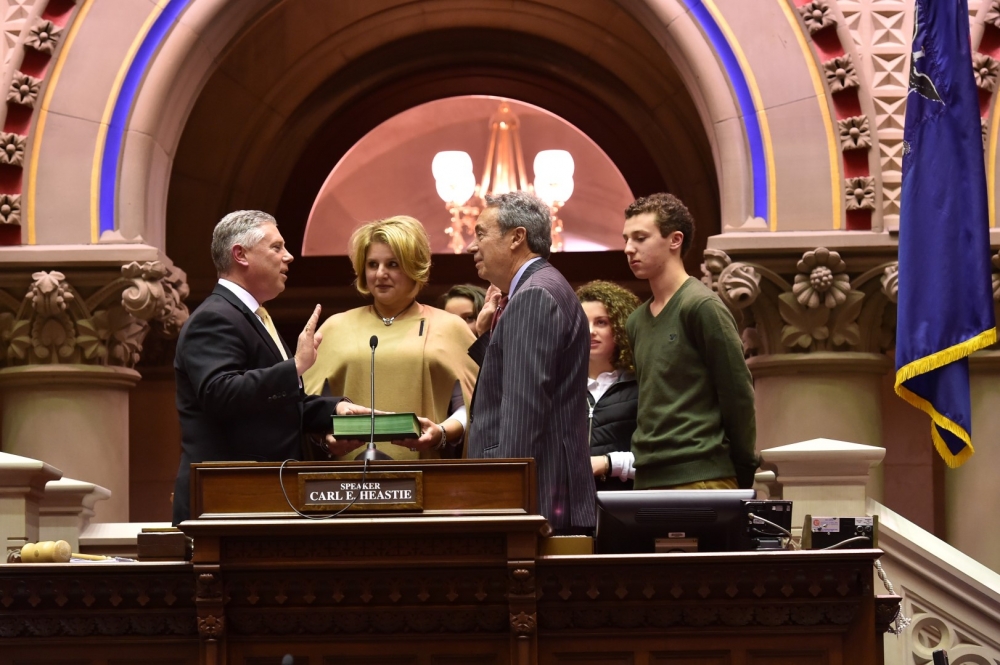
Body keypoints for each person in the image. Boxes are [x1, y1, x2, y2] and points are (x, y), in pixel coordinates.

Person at [172, 210, 368, 525]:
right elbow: (220, 393)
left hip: (261, 493)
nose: (288, 257)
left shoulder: (255, 316)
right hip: (226, 500)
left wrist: (335, 411)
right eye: (276, 247)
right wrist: (296, 366)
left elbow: (273, 405)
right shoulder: (216, 316)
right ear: (240, 254)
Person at [466, 191, 596, 533]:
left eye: (480, 234)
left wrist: (507, 499)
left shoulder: (534, 293)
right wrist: (486, 337)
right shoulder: (539, 288)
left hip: (533, 499)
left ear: (516, 237)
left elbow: (524, 409)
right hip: (543, 490)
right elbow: (512, 377)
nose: (471, 246)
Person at [612, 193, 758, 490]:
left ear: (674, 240)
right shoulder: (636, 320)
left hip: (702, 477)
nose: (628, 249)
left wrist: (742, 469)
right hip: (648, 477)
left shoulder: (702, 306)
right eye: (627, 238)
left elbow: (737, 395)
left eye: (640, 238)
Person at [303, 215, 479, 460]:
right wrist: (325, 438)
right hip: (347, 479)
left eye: (393, 264)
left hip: (428, 476)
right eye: (373, 264)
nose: (380, 274)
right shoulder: (335, 327)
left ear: (414, 266)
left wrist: (440, 432)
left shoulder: (450, 327)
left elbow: (470, 406)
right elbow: (306, 405)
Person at [577, 280, 640, 491]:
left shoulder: (642, 385)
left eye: (601, 322)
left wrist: (608, 463)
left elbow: (661, 459)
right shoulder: (561, 387)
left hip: (624, 506)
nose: (590, 331)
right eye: (582, 322)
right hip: (569, 507)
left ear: (620, 327)